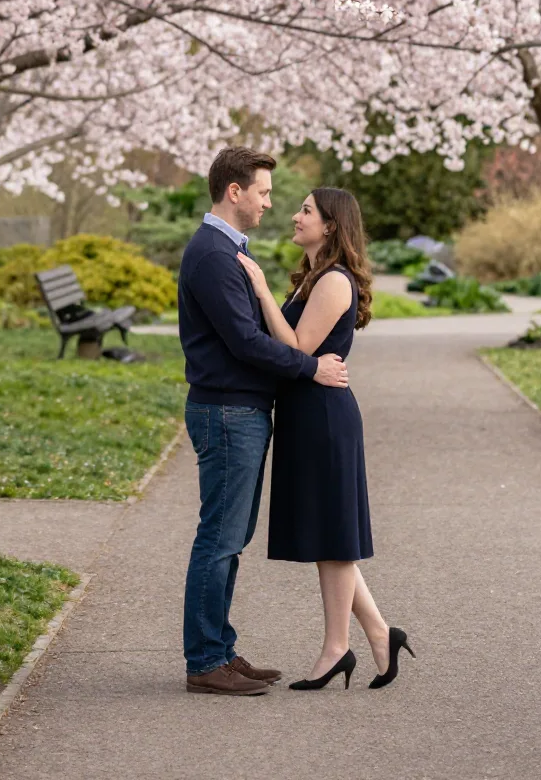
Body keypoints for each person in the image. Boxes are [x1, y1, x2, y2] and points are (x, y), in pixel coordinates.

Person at [178, 147, 351, 696]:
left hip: (240, 410)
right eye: (263, 191)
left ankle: (220, 650)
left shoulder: (228, 251)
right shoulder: (211, 254)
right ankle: (206, 661)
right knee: (221, 539)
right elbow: (245, 342)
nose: (269, 202)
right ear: (235, 192)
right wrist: (310, 368)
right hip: (227, 410)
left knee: (231, 537)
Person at [237, 186, 414, 691]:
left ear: (332, 225)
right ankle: (381, 632)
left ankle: (338, 647)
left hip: (324, 419)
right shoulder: (313, 279)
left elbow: (297, 347)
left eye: (307, 211)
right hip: (305, 414)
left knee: (333, 539)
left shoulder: (334, 281)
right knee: (328, 535)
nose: (295, 216)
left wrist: (260, 288)